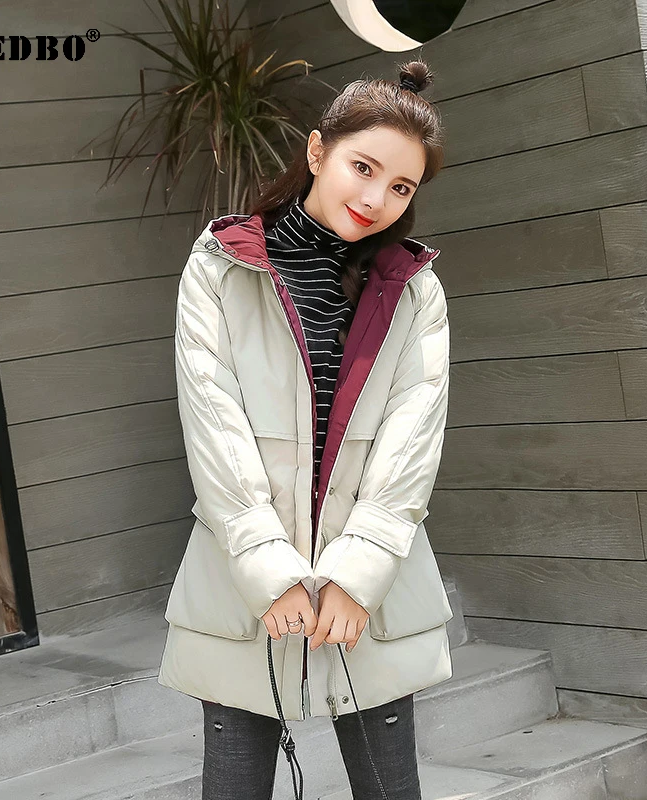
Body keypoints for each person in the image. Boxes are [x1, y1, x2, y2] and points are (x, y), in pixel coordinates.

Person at [158, 59, 453, 800]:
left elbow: (411, 443)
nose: (376, 198)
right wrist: (271, 569)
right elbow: (214, 427)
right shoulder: (221, 269)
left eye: (401, 187)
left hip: (372, 586)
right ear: (318, 151)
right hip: (244, 577)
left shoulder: (413, 291)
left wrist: (355, 577)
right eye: (364, 167)